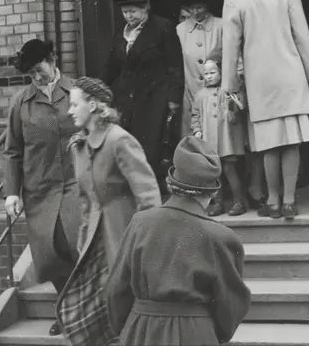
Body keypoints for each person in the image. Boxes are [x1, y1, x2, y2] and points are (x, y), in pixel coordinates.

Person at [106, 135, 251, 346]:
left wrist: (129, 329)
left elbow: (117, 290)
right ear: (212, 193)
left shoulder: (139, 223)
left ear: (171, 183)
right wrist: (209, 332)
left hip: (141, 330)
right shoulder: (221, 237)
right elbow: (231, 304)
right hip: (196, 333)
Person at [56, 77, 161, 346]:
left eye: (74, 104)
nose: (70, 111)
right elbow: (85, 200)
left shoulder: (119, 140)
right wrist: (83, 237)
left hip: (123, 235)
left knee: (125, 304)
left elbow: (148, 195)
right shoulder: (79, 146)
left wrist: (146, 243)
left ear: (92, 105)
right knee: (90, 311)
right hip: (94, 240)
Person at [221, 0, 309, 220]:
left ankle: (274, 202)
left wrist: (231, 86)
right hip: (291, 77)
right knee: (292, 142)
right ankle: (289, 202)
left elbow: (230, 47)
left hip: (259, 82)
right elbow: (302, 37)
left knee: (269, 144)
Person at [3, 39, 80, 336]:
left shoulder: (77, 92)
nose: (36, 77)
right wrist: (12, 192)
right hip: (40, 189)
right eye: (31, 73)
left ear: (53, 60)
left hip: (75, 183)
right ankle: (68, 309)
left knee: (74, 245)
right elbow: (13, 150)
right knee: (50, 255)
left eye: (39, 69)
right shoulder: (21, 103)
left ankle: (84, 308)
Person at [103, 0, 184, 190]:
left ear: (145, 8)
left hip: (154, 96)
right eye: (124, 12)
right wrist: (99, 88)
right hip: (128, 98)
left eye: (132, 11)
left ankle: (153, 191)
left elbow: (175, 65)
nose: (128, 16)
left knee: (152, 146)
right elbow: (112, 66)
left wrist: (173, 98)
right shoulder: (121, 32)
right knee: (130, 143)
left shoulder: (163, 28)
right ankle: (135, 190)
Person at [192, 52, 246, 216]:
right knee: (215, 173)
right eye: (206, 73)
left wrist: (232, 100)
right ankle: (218, 203)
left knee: (229, 169)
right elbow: (195, 115)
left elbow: (240, 108)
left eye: (213, 72)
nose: (208, 76)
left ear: (222, 72)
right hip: (209, 141)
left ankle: (239, 202)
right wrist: (197, 130)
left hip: (227, 140)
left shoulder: (228, 91)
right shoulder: (200, 95)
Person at [176, 0, 223, 139]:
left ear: (207, 6)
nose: (195, 12)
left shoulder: (222, 26)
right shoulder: (180, 30)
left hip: (218, 96)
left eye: (200, 7)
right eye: (191, 8)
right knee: (194, 141)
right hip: (190, 94)